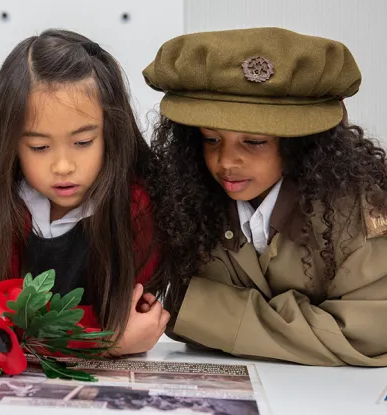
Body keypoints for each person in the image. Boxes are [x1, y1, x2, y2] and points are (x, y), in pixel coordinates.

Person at [146, 27, 387, 366]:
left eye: (254, 142)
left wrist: (197, 312)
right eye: (211, 139)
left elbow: (368, 335)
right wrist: (304, 326)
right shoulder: (185, 204)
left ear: (301, 144)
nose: (226, 161)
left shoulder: (357, 213)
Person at [0, 29, 169, 356]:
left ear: (111, 132)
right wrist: (104, 342)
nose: (63, 166)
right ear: (11, 144)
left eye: (83, 143)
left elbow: (136, 317)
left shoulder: (136, 204)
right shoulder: (0, 196)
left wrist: (103, 333)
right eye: (39, 147)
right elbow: (4, 321)